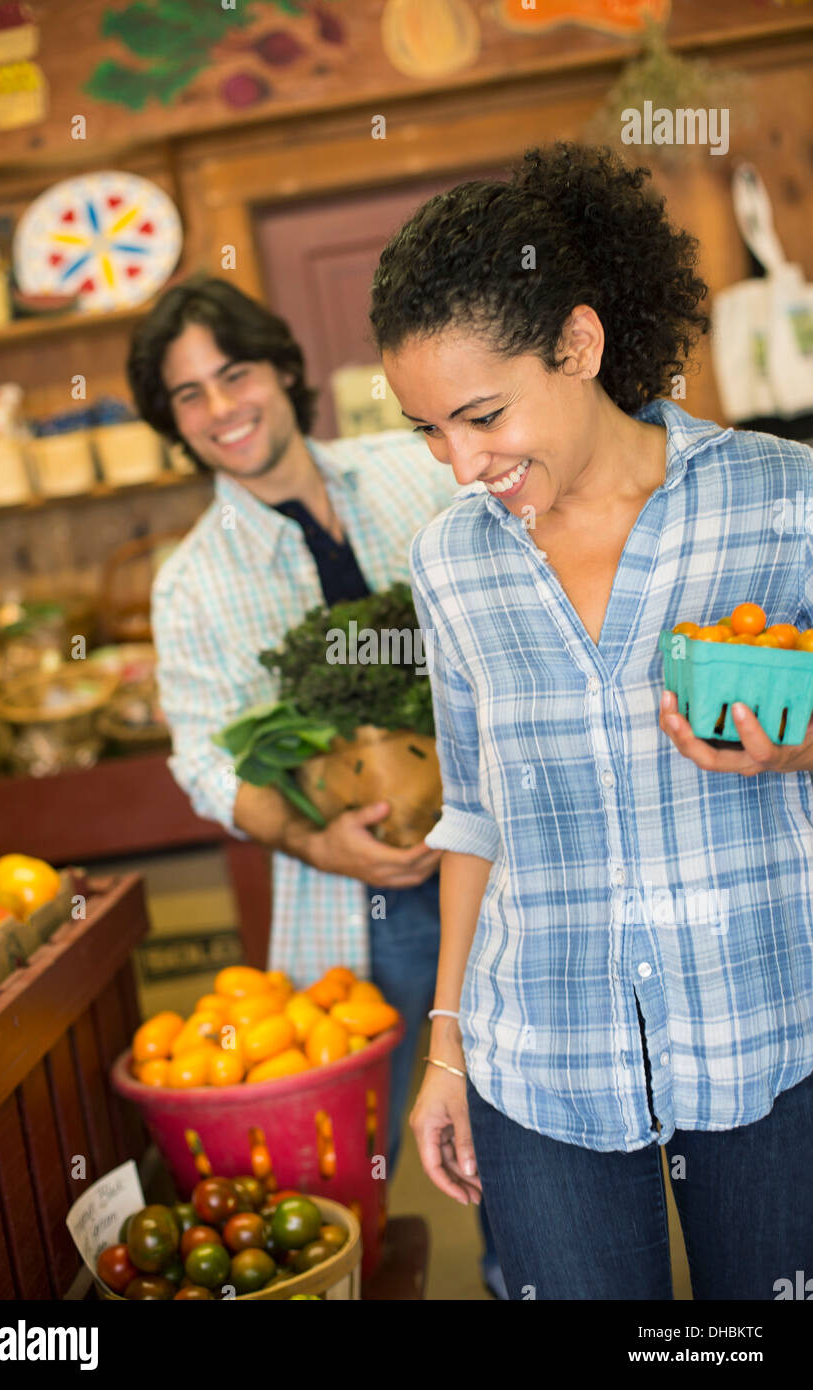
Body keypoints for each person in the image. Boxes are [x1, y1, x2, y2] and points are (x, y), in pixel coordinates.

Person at [368, 141, 813, 1300]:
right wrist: (445, 1053)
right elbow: (471, 819)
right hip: (544, 1058)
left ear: (576, 344)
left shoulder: (776, 498)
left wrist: (801, 741)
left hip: (769, 1027)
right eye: (426, 429)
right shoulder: (450, 563)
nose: (459, 462)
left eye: (479, 414)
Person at [127, 275, 507, 1295]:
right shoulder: (192, 582)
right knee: (342, 1174)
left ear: (283, 370)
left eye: (234, 373)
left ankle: (532, 1273)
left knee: (523, 1119)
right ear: (173, 422)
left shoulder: (409, 471)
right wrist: (316, 842)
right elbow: (204, 759)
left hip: (504, 856)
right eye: (189, 395)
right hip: (359, 904)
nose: (221, 408)